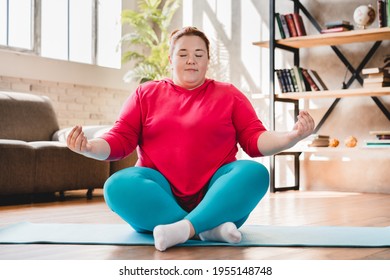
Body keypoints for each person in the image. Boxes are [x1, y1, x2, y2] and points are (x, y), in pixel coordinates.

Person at [66, 26, 315, 251]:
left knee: (255, 173)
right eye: (183, 54)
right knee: (116, 186)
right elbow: (120, 139)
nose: (191, 60)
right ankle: (207, 230)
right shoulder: (145, 93)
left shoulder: (229, 95)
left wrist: (291, 137)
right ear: (170, 59)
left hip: (217, 198)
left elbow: (254, 139)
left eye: (199, 54)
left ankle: (182, 229)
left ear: (208, 60)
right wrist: (89, 147)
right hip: (161, 194)